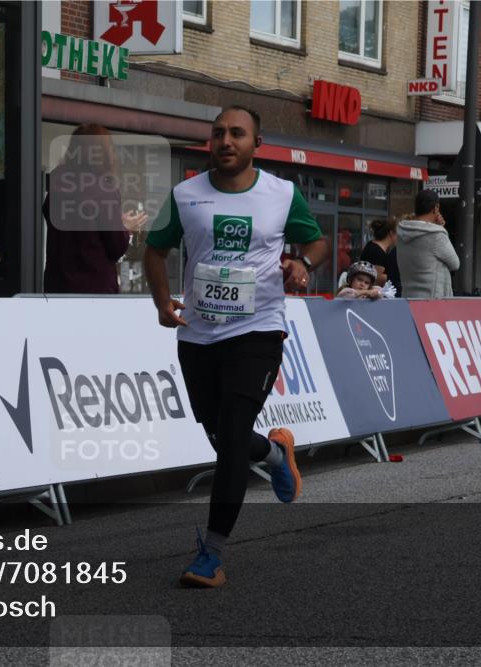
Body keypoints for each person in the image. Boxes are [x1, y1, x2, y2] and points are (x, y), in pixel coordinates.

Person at [144, 106, 328, 588]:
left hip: (258, 330)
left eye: (237, 133)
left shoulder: (281, 194)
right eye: (218, 133)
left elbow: (318, 243)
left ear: (256, 143)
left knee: (229, 438)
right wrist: (164, 303)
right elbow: (154, 249)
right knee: (220, 433)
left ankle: (212, 553)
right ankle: (271, 452)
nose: (226, 140)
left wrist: (301, 263)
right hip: (199, 335)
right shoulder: (185, 194)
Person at [43, 124, 148, 294]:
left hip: (57, 286)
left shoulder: (57, 185)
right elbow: (115, 247)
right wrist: (126, 229)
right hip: (94, 289)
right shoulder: (104, 190)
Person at [396, 189, 459, 298]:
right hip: (432, 301)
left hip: (408, 298)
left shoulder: (402, 233)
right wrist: (440, 228)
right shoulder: (436, 235)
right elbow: (455, 264)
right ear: (436, 208)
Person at [360, 216, 400, 296]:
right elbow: (377, 278)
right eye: (397, 234)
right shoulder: (377, 251)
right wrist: (396, 275)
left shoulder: (373, 246)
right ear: (391, 234)